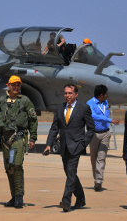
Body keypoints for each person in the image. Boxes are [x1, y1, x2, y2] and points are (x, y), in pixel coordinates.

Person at [0, 75, 38, 208]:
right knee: (9, 168)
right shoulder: (1, 101)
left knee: (17, 165)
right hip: (5, 140)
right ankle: (13, 197)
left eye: (18, 85)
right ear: (8, 85)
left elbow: (33, 120)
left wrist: (33, 138)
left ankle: (19, 196)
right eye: (13, 85)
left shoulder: (25, 101)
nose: (16, 87)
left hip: (18, 138)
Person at [43, 84, 95, 212]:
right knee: (70, 173)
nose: (67, 96)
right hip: (64, 146)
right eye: (65, 93)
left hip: (77, 146)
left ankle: (66, 201)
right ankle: (81, 198)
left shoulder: (84, 108)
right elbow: (55, 128)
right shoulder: (60, 108)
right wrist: (49, 144)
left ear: (76, 94)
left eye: (70, 93)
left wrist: (83, 143)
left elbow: (91, 128)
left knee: (71, 173)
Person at [86, 84, 120, 191]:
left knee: (101, 157)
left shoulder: (105, 102)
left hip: (105, 133)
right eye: (106, 94)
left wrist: (107, 122)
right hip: (94, 134)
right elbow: (93, 116)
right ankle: (96, 178)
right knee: (94, 158)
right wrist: (110, 120)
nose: (107, 96)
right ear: (101, 95)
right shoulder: (90, 103)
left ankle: (99, 181)